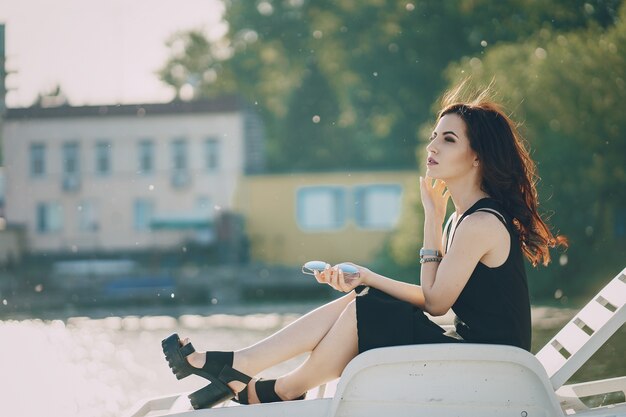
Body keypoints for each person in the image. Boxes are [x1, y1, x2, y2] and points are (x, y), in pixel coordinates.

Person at [161, 84, 567, 409]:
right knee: (364, 299)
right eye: (433, 137)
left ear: (476, 156)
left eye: (447, 140)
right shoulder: (460, 218)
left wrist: (369, 276)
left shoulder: (480, 222)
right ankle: (246, 368)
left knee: (365, 303)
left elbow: (436, 302)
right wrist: (430, 218)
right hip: (474, 353)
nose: (432, 148)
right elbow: (432, 294)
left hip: (493, 366)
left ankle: (275, 386)